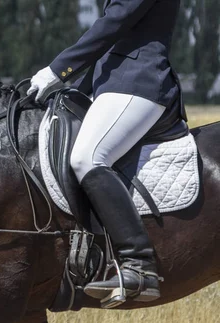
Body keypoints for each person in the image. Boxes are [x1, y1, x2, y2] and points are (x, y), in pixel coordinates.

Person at [27, 0, 182, 306]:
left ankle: (139, 265)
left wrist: (59, 70)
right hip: (108, 82)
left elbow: (117, 21)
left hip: (139, 80)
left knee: (88, 157)